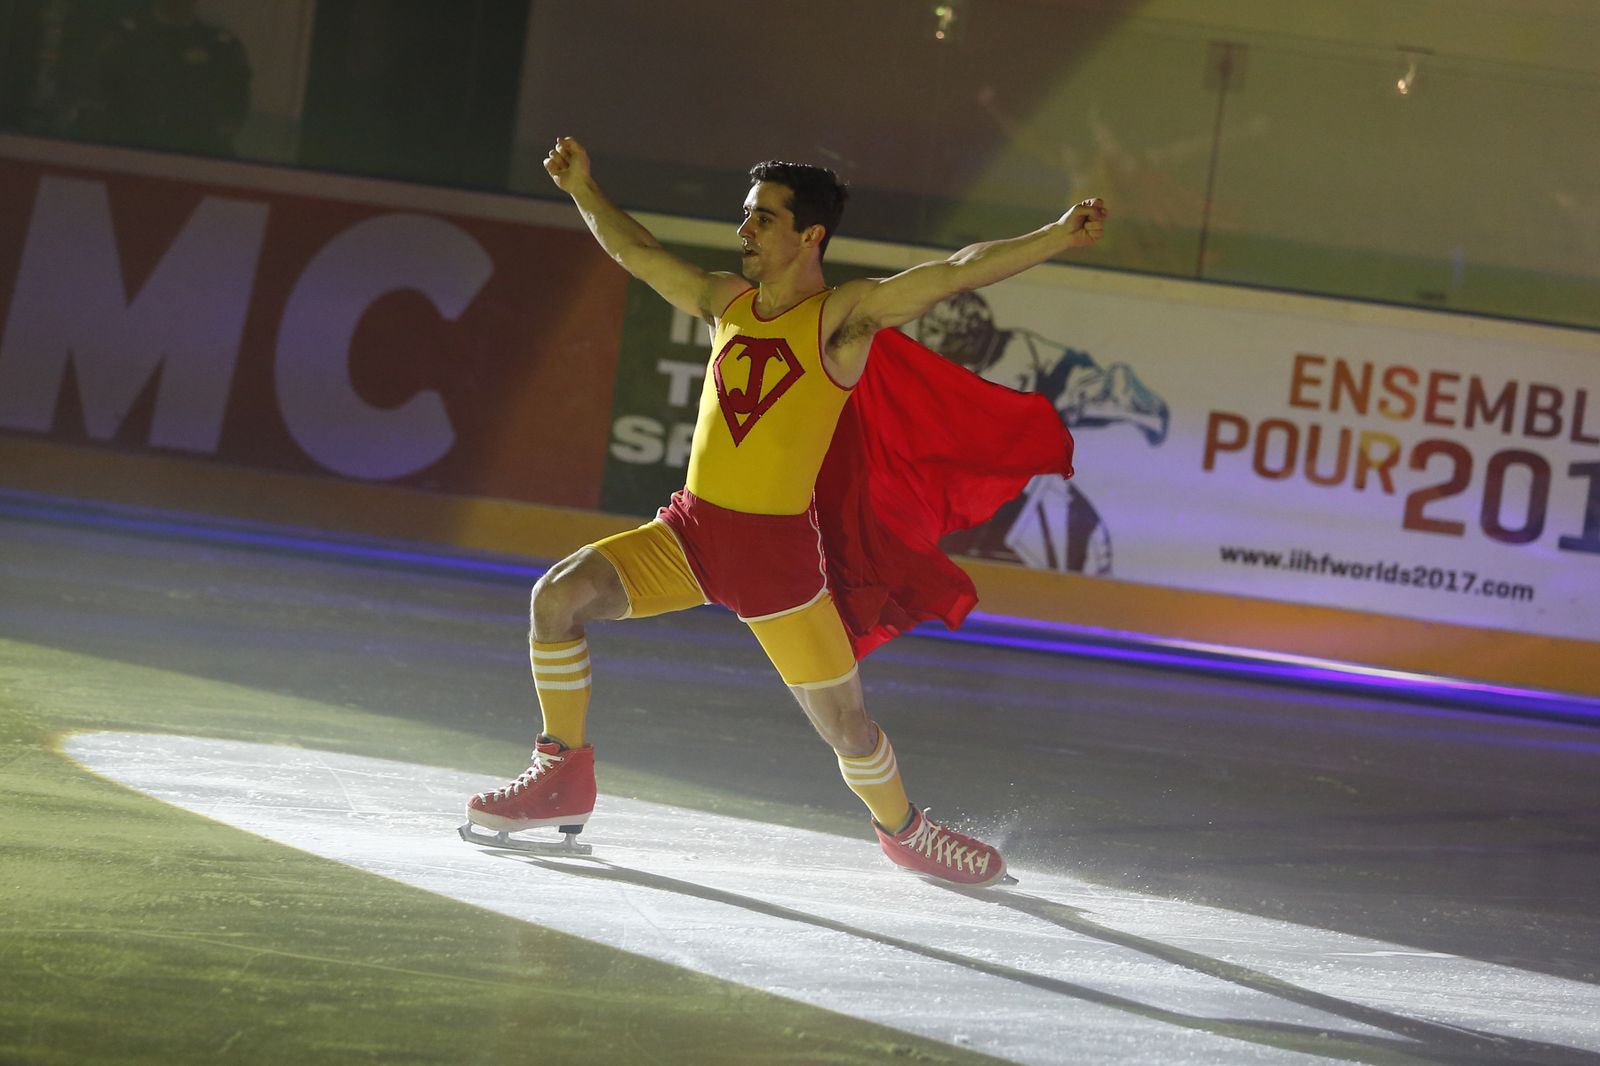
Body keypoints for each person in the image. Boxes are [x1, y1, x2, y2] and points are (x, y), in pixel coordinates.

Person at [465, 136, 1106, 886]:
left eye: (762, 219)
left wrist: (1058, 234)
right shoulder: (723, 302)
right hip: (689, 534)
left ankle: (906, 830)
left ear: (811, 236)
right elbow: (637, 252)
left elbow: (955, 272)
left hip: (779, 566)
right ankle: (561, 776)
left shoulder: (844, 319)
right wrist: (583, 188)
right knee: (558, 596)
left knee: (847, 729)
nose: (744, 232)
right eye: (746, 217)